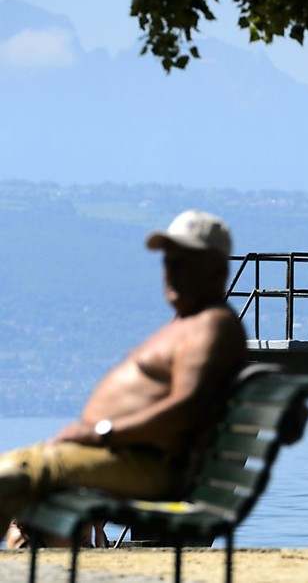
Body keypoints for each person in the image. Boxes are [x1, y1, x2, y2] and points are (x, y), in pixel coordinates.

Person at [0, 209, 248, 545]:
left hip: (152, 471)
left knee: (11, 477)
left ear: (217, 269)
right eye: (167, 263)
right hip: (132, 460)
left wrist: (102, 435)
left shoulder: (211, 327)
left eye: (183, 264)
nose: (170, 274)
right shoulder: (196, 326)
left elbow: (186, 410)